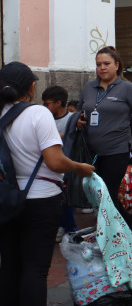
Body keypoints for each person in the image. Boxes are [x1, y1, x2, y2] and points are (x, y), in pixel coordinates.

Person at [0, 62, 94, 306]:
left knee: (10, 266)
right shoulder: (38, 113)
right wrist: (80, 167)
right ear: (30, 87)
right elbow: (54, 161)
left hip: (6, 200)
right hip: (40, 200)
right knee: (35, 268)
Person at [77, 46, 132, 233]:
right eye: (98, 64)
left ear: (117, 65)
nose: (102, 68)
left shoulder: (127, 88)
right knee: (98, 193)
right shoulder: (89, 88)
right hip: (92, 151)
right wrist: (78, 120)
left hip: (117, 149)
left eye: (106, 64)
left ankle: (125, 223)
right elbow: (80, 111)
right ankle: (118, 224)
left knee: (107, 192)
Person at [42, 85, 79, 239]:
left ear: (58, 103)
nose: (44, 106)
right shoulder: (44, 118)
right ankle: (62, 226)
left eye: (47, 103)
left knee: (66, 200)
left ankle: (70, 229)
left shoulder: (71, 119)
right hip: (49, 165)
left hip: (67, 164)